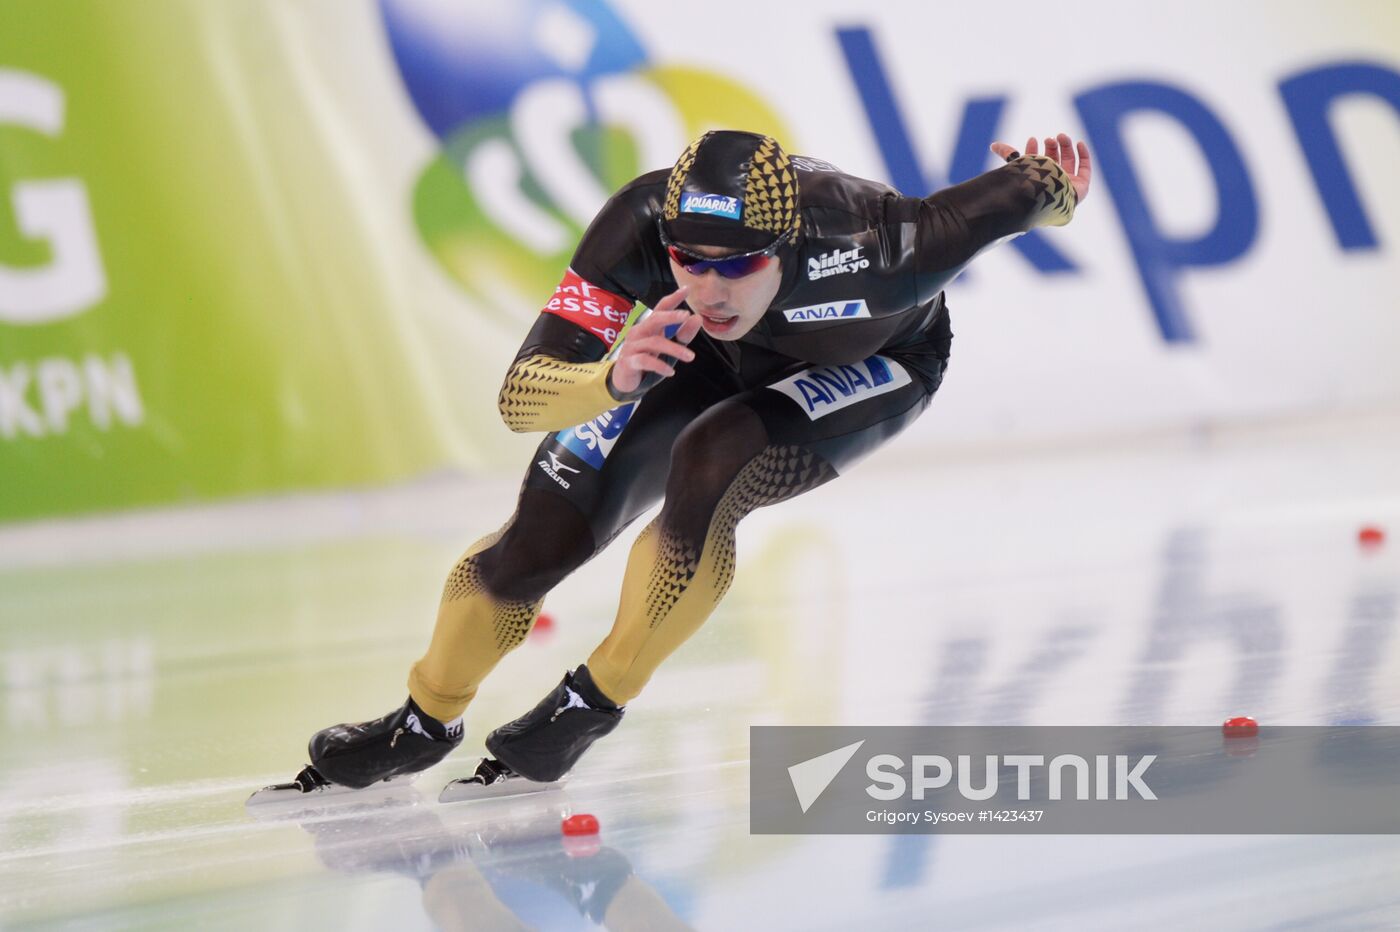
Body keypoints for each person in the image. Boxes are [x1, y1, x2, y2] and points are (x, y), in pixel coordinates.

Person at [303, 128, 1091, 791]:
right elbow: (521, 398)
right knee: (535, 540)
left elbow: (1034, 191)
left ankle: (594, 698)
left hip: (880, 362)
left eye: (739, 263)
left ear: (786, 245)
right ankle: (424, 717)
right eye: (690, 259)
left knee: (714, 458)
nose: (711, 286)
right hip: (701, 359)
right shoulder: (636, 225)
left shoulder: (889, 242)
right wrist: (606, 378)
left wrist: (1056, 184)